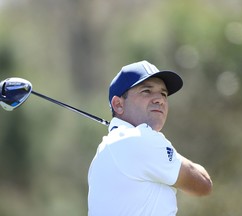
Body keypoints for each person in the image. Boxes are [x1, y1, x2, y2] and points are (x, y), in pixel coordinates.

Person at [88, 60, 212, 216]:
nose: (159, 99)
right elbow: (203, 184)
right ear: (118, 104)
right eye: (146, 91)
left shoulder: (105, 149)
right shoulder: (137, 139)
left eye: (163, 93)